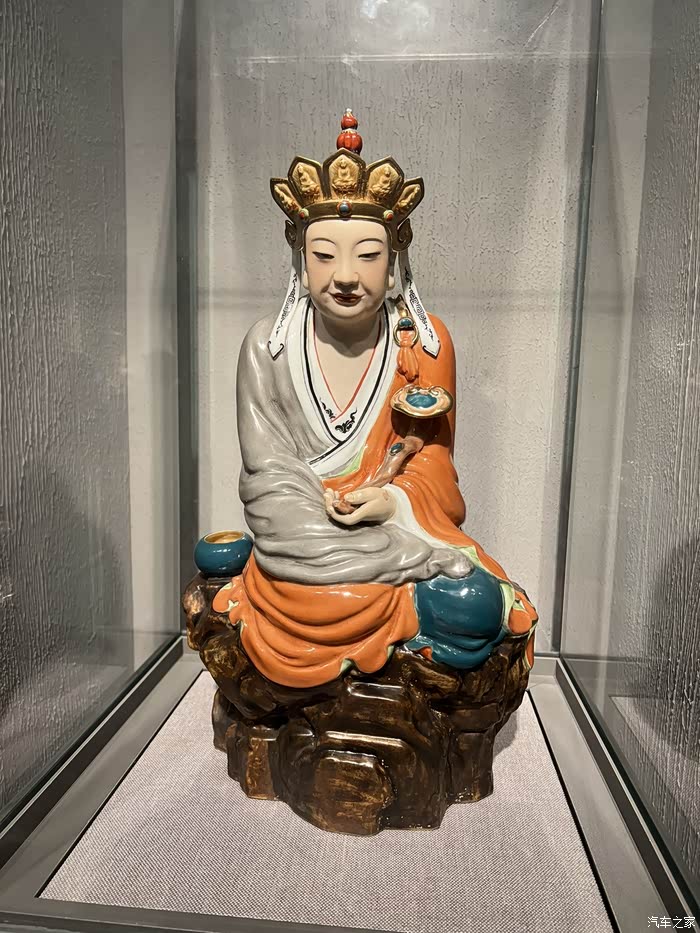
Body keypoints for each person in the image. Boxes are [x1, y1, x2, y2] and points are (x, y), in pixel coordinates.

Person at [212, 112, 537, 688]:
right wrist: (319, 523)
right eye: (323, 255)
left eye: (366, 255)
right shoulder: (268, 346)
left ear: (393, 268)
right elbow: (266, 475)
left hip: (395, 529)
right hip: (300, 539)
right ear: (300, 261)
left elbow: (435, 467)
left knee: (474, 607)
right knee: (303, 583)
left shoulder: (425, 344)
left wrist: (391, 503)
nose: (344, 275)